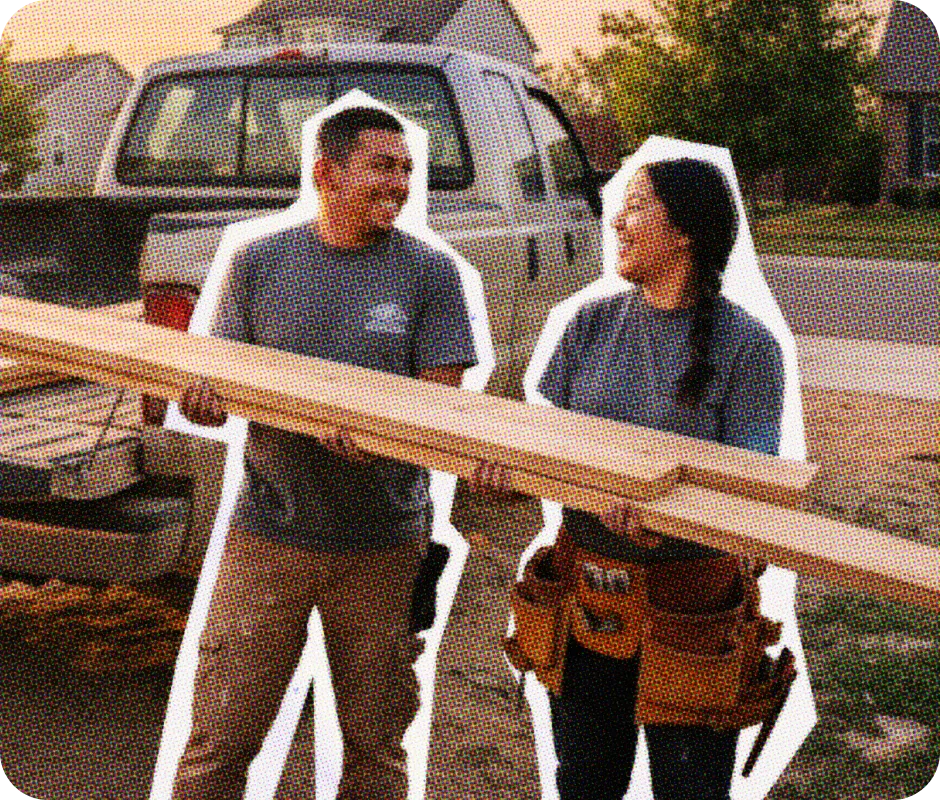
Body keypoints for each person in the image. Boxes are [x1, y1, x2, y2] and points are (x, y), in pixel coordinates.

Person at [171, 106, 478, 800]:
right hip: (268, 537)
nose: (399, 182)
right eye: (381, 166)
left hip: (383, 544)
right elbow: (223, 376)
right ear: (325, 174)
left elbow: (440, 408)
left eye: (406, 168)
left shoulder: (431, 274)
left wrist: (381, 438)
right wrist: (206, 404)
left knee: (375, 750)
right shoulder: (259, 262)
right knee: (218, 742)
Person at [473, 157, 789, 800]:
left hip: (690, 615)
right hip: (586, 601)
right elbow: (548, 451)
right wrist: (508, 478)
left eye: (638, 205)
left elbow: (750, 493)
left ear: (685, 234)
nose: (617, 218)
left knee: (690, 791)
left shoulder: (748, 346)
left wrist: (661, 522)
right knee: (586, 784)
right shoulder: (587, 325)